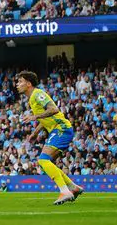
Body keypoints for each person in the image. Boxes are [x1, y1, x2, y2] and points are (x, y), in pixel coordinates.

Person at [15, 71, 84, 205]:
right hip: (58, 130)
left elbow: (54, 109)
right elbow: (46, 117)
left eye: (20, 81)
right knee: (47, 161)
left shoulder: (37, 94)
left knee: (43, 160)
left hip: (61, 129)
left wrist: (34, 117)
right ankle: (72, 187)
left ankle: (65, 191)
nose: (17, 85)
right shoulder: (32, 98)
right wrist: (35, 132)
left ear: (28, 84)